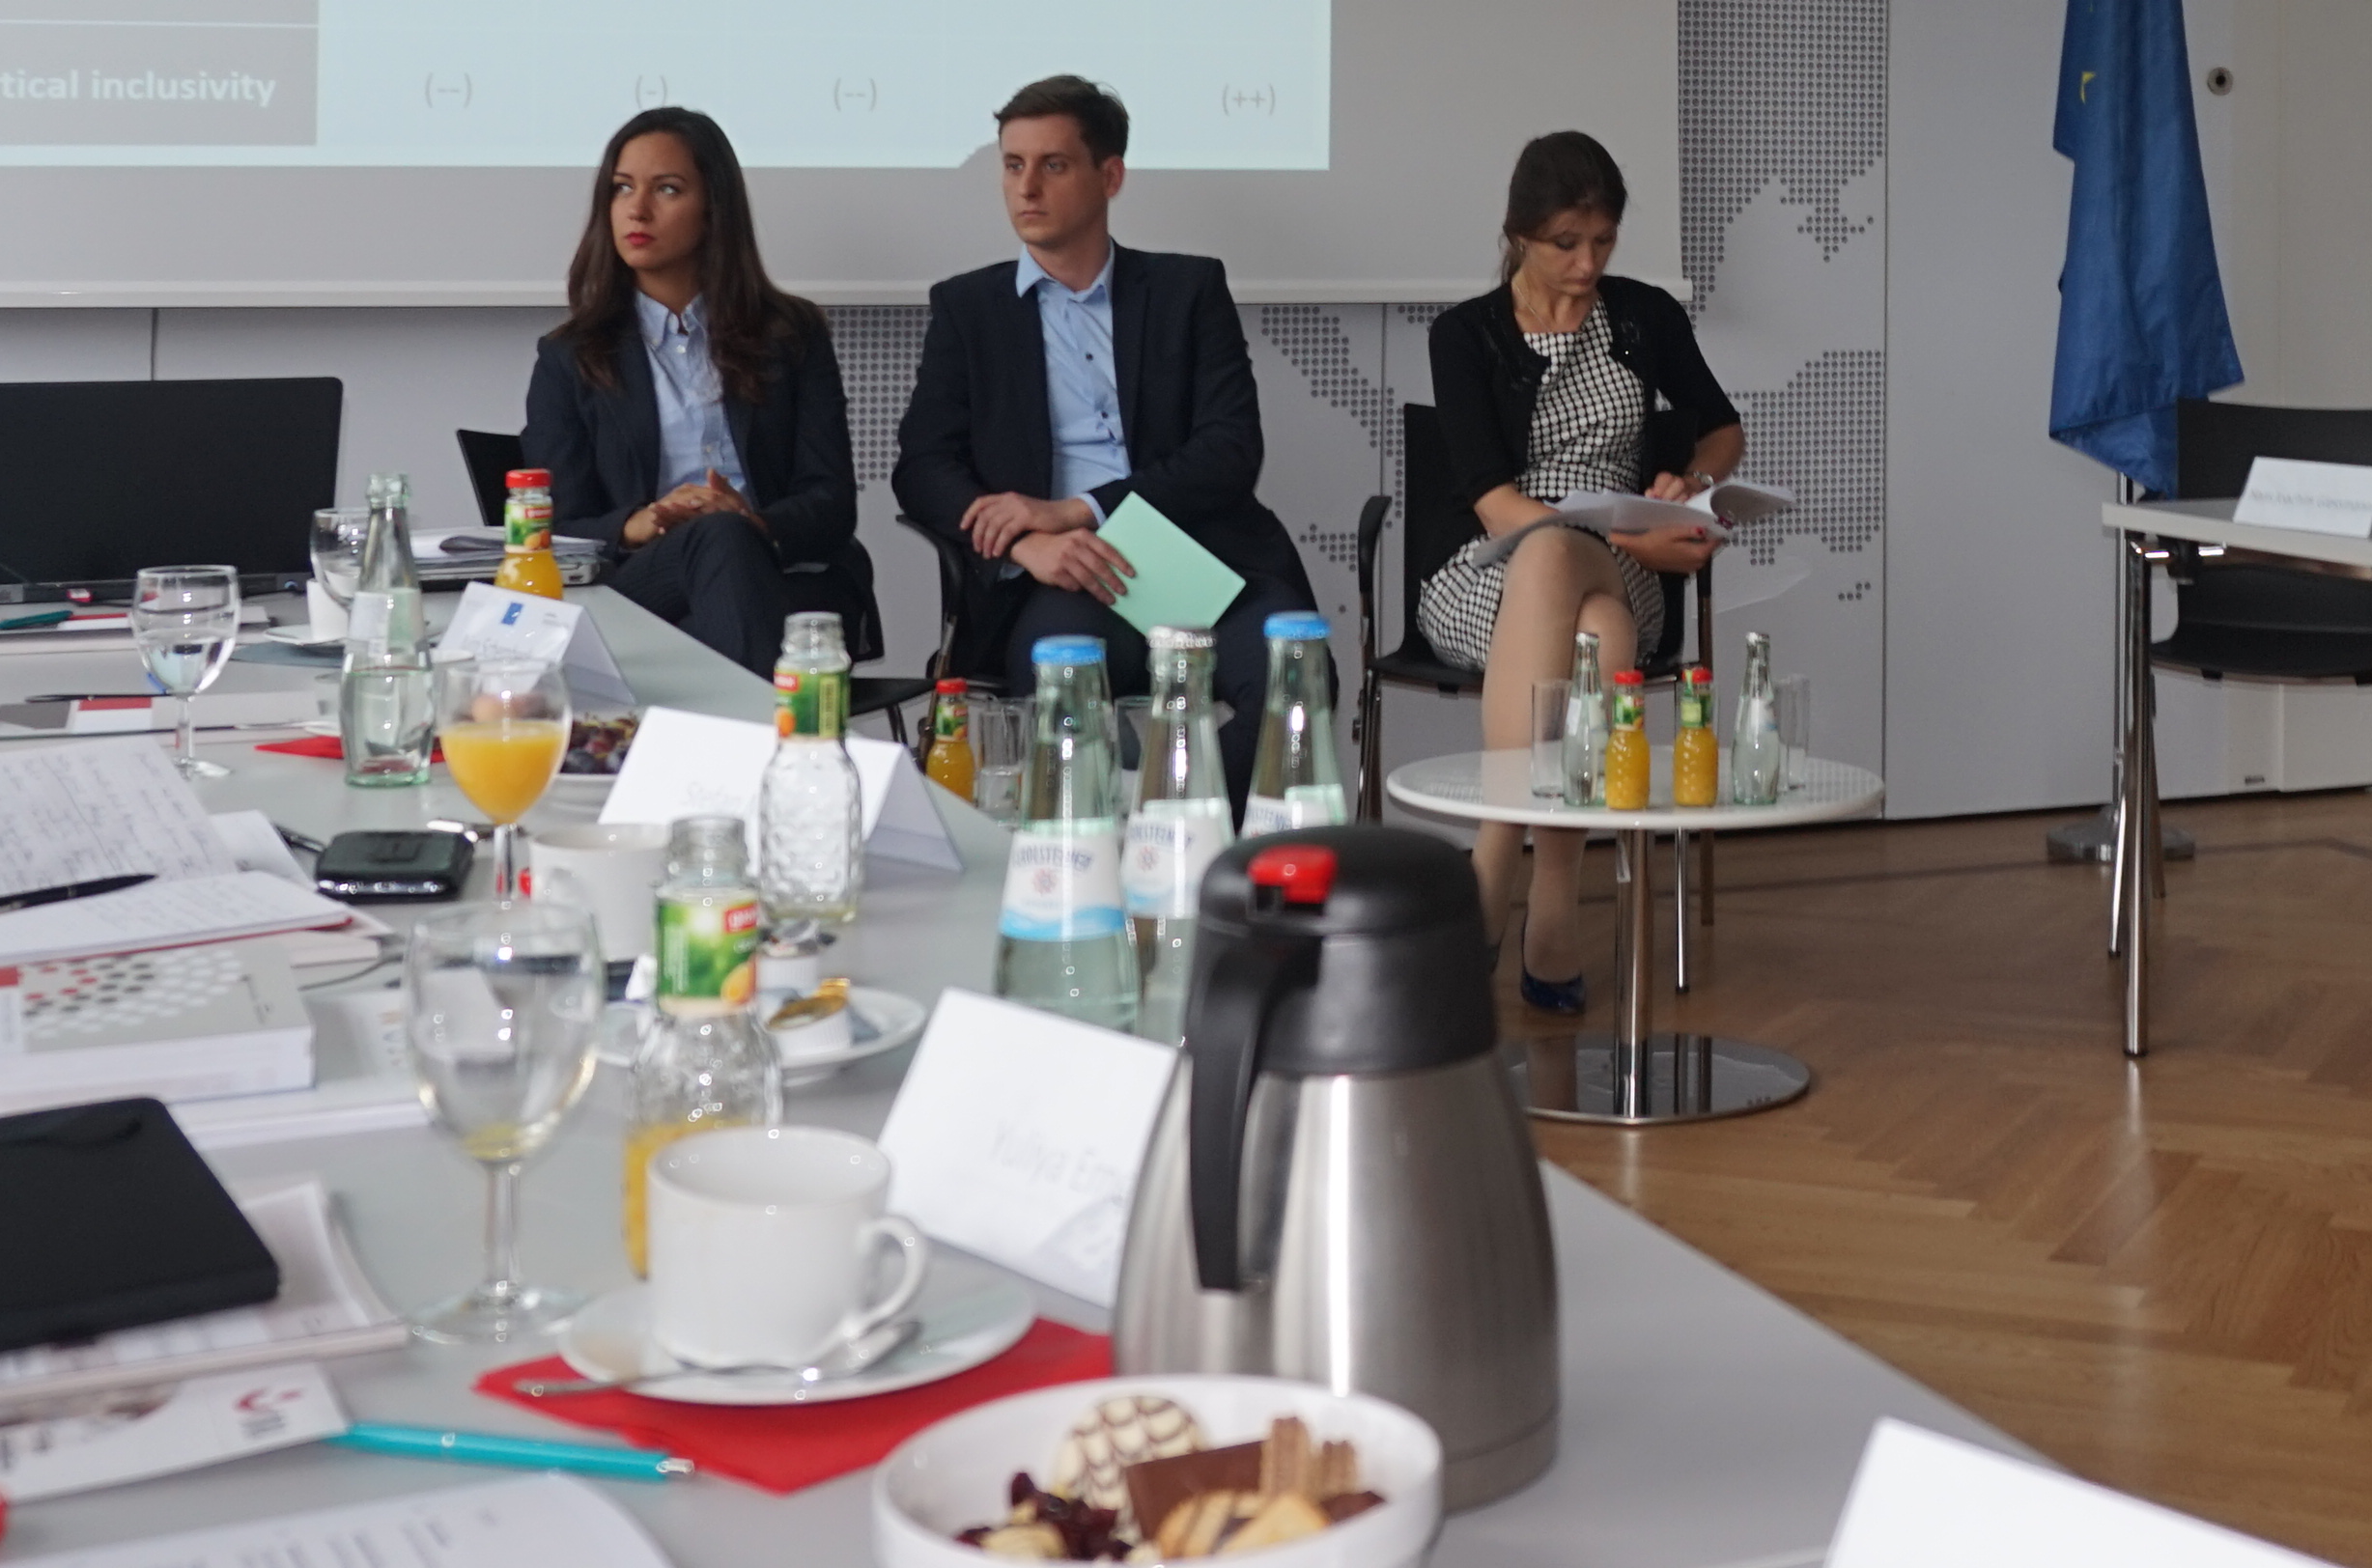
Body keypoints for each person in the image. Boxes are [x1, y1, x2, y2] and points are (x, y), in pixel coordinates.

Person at [890, 74, 1316, 760]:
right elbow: (923, 469)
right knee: (1064, 694)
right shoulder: (969, 309)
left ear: (1109, 176)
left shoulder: (1187, 291)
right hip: (1064, 576)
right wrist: (1027, 544)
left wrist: (1078, 509)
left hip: (1196, 556)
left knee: (1293, 681)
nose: (1027, 188)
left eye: (1053, 166)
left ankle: (1190, 819)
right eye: (1013, 166)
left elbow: (1230, 450)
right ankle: (1125, 822)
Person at [1419, 134, 1746, 1007]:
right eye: (1566, 243)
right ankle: (1550, 907)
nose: (1588, 263)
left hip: (1618, 561)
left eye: (1603, 241)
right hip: (1487, 570)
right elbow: (1494, 503)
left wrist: (1693, 484)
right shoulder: (1464, 335)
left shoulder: (1643, 317)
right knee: (1581, 605)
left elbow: (1722, 427)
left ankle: (1496, 869)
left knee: (1586, 592)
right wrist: (1631, 544)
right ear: (1519, 234)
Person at [516, 107, 858, 678]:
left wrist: (753, 523)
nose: (637, 209)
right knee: (716, 539)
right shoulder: (570, 356)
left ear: (714, 209)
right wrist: (640, 522)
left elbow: (831, 501)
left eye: (667, 189)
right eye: (622, 188)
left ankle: (726, 722)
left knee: (725, 547)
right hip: (643, 584)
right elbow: (556, 523)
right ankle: (770, 726)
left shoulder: (790, 334)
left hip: (774, 573)